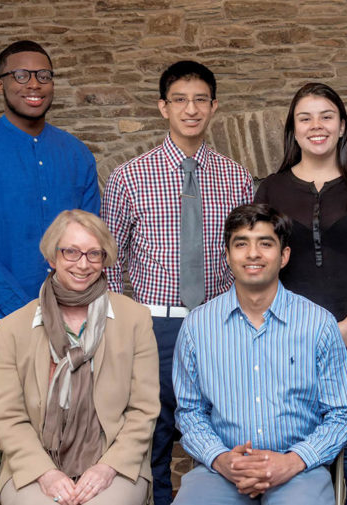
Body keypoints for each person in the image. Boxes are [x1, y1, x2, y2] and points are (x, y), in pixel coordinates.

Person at [0, 40, 100, 505]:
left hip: (71, 327)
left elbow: (89, 245)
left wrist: (66, 316)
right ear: (1, 84)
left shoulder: (76, 154)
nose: (34, 85)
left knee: (67, 435)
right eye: (22, 75)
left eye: (43, 75)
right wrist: (32, 313)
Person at [101, 60, 253, 504]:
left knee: (224, 426)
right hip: (155, 327)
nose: (191, 109)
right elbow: (112, 258)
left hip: (219, 323)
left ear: (214, 106)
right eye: (180, 100)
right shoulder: (129, 177)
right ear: (163, 107)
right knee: (153, 433)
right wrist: (117, 324)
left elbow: (247, 256)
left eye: (201, 100)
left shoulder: (236, 177)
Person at [255, 82, 347, 504]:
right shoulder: (271, 189)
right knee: (295, 436)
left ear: (341, 126)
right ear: (293, 130)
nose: (316, 126)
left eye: (326, 116)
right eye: (305, 118)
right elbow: (259, 264)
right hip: (288, 336)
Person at [172, 203, 347, 505]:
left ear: (284, 256)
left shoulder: (319, 324)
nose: (253, 253)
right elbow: (190, 413)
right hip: (222, 471)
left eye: (265, 243)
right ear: (228, 256)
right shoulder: (197, 327)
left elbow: (342, 415)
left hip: (298, 471)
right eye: (241, 244)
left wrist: (293, 461)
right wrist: (220, 460)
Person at [0, 210, 160, 505]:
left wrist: (108, 467)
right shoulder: (12, 329)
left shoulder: (135, 319)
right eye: (71, 251)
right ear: (52, 257)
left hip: (114, 460)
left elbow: (143, 410)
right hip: (35, 462)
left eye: (94, 254)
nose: (83, 264)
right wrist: (46, 474)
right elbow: (9, 419)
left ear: (105, 259)